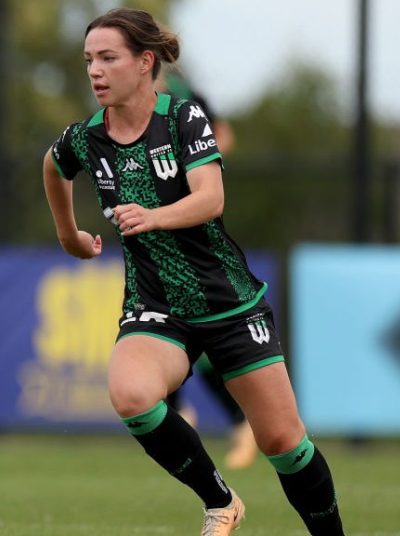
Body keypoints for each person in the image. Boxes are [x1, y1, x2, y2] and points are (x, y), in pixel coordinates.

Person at [41, 8, 344, 536]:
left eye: (108, 58)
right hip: (156, 304)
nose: (95, 71)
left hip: (228, 301)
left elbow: (210, 198)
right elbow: (52, 165)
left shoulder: (183, 118)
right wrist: (69, 235)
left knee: (283, 442)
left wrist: (153, 216)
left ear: (145, 62)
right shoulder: (85, 138)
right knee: (131, 396)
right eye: (89, 60)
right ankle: (221, 501)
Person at [157, 70, 258, 471]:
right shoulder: (117, 109)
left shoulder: (186, 99)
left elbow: (223, 136)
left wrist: (200, 163)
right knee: (156, 332)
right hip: (154, 248)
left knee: (202, 345)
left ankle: (239, 422)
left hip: (193, 244)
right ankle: (184, 414)